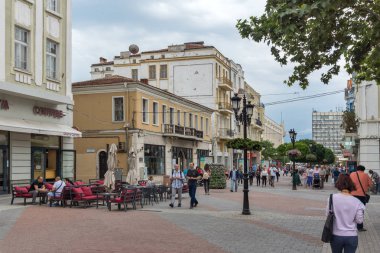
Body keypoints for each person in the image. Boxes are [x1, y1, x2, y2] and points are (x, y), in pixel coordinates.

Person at [326, 174, 365, 253]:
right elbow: (359, 221)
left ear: (338, 184)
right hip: (351, 236)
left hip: (335, 235)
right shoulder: (357, 202)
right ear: (351, 185)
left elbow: (328, 215)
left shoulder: (331, 198)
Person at [350, 165, 373, 231]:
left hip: (352, 195)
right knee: (360, 211)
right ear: (363, 170)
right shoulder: (366, 175)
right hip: (362, 195)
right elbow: (371, 185)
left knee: (352, 210)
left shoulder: (352, 174)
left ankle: (351, 225)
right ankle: (359, 227)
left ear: (357, 169)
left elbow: (348, 183)